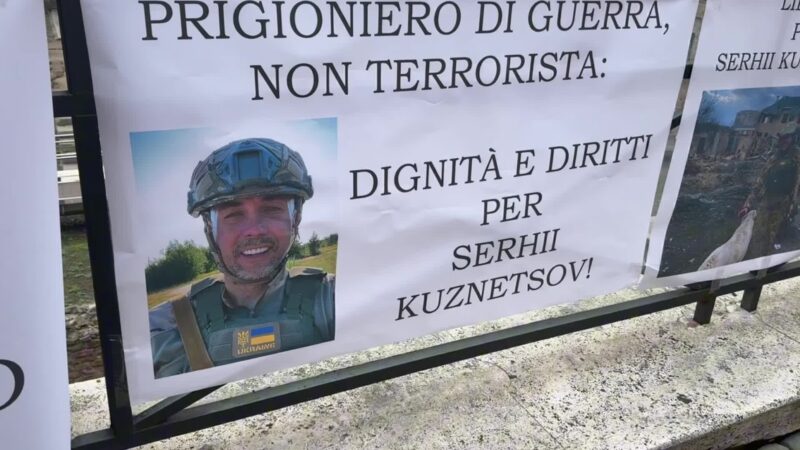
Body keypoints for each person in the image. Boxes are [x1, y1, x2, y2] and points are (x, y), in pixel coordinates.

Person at [149, 138, 335, 378]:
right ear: (209, 228)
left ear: (296, 219)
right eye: (233, 214)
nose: (254, 230)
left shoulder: (333, 299)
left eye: (271, 209)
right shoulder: (161, 331)